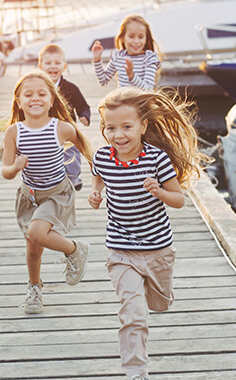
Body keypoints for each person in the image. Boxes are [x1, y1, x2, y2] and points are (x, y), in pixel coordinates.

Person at [88, 87, 210, 380]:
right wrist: (95, 193)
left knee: (159, 303)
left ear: (143, 126)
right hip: (121, 251)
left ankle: (156, 294)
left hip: (158, 250)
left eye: (126, 127)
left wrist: (159, 191)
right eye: (110, 128)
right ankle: (136, 372)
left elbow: (179, 199)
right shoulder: (103, 157)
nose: (118, 135)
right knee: (133, 314)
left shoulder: (157, 159)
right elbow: (97, 176)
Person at [2, 70, 94, 314]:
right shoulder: (13, 132)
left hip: (56, 193)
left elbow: (85, 147)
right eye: (28, 94)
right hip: (29, 196)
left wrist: (99, 173)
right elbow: (6, 171)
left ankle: (74, 249)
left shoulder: (61, 128)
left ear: (52, 100)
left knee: (36, 232)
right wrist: (15, 166)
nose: (35, 98)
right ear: (18, 102)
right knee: (33, 249)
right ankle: (34, 290)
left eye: (42, 93)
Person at [38, 43, 91, 191]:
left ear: (64, 66)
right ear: (40, 66)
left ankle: (73, 177)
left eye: (57, 63)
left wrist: (84, 116)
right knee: (44, 152)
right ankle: (46, 176)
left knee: (71, 148)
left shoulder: (71, 88)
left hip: (67, 127)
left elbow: (83, 106)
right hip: (44, 128)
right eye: (48, 63)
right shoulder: (37, 88)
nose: (53, 66)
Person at [91, 14, 161, 91]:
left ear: (146, 39)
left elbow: (148, 89)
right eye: (131, 36)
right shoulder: (118, 56)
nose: (136, 41)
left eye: (141, 37)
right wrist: (97, 59)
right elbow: (103, 81)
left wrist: (132, 76)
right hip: (122, 100)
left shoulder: (149, 58)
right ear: (122, 38)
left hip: (140, 102)